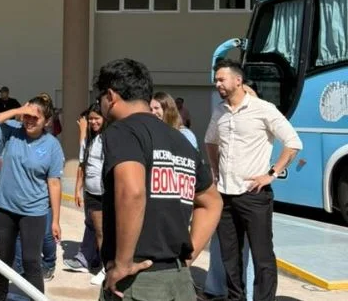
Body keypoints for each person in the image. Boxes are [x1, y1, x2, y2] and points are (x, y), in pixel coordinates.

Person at [94, 58, 222, 301]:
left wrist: (123, 263)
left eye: (100, 98)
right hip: (178, 281)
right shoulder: (180, 141)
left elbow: (132, 191)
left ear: (110, 95)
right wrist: (188, 257)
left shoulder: (123, 131)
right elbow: (212, 202)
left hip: (138, 283)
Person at [205, 59, 302, 301]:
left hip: (254, 196)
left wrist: (271, 174)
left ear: (238, 80)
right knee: (230, 256)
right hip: (225, 196)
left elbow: (293, 143)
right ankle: (235, 297)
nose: (217, 83)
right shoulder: (220, 111)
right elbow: (210, 141)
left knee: (262, 257)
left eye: (221, 79)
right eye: (216, 80)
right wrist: (215, 172)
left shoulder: (263, 109)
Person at [0, 95, 64, 300]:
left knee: (31, 261)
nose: (30, 121)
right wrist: (17, 111)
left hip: (33, 212)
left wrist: (56, 220)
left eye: (36, 118)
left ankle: (36, 298)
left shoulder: (52, 146)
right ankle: (0, 296)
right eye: (27, 116)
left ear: (47, 121)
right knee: (3, 259)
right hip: (4, 207)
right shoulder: (13, 131)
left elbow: (54, 183)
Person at [64, 103, 107, 286]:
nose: (93, 122)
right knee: (94, 229)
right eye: (90, 119)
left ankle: (106, 267)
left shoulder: (108, 138)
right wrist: (78, 190)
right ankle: (94, 260)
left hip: (104, 194)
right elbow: (83, 164)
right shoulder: (91, 139)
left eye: (97, 118)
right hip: (91, 193)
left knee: (102, 232)